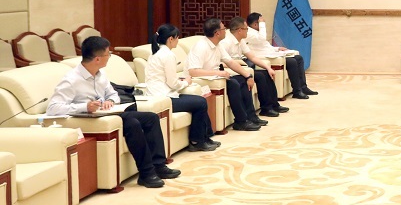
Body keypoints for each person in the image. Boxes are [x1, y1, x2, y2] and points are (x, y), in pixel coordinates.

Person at [46, 36, 178, 189]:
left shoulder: (100, 74)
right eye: (108, 54)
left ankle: (159, 165)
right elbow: (53, 108)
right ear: (97, 59)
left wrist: (110, 101)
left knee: (151, 118)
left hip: (109, 114)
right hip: (90, 119)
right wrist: (84, 106)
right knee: (133, 123)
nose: (109, 57)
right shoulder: (71, 80)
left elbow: (113, 94)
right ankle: (146, 173)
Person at [146, 24, 219, 152]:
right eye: (177, 38)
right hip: (164, 99)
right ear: (170, 39)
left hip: (158, 95)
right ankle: (197, 141)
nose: (178, 41)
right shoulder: (168, 55)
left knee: (198, 101)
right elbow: (173, 84)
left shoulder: (155, 54)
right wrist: (186, 82)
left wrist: (181, 81)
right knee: (200, 102)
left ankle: (205, 138)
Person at [186, 18, 267, 131]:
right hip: (201, 80)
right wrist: (218, 73)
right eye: (224, 29)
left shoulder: (217, 45)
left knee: (242, 80)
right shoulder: (201, 46)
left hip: (215, 77)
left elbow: (230, 62)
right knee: (233, 84)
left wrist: (248, 76)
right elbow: (193, 71)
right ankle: (240, 121)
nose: (226, 31)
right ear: (217, 33)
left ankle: (251, 116)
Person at [223, 16, 287, 118]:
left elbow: (252, 57)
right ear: (239, 30)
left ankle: (274, 105)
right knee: (260, 76)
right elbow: (223, 62)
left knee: (266, 73)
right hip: (234, 69)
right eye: (246, 29)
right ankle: (266, 108)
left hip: (243, 67)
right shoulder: (226, 42)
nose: (248, 31)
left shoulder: (241, 40)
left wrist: (268, 68)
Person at [245, 12, 318, 99]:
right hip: (262, 57)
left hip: (270, 54)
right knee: (292, 61)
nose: (263, 24)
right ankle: (297, 91)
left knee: (298, 58)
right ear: (255, 24)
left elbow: (266, 46)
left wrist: (277, 49)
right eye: (261, 22)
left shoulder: (257, 33)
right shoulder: (249, 33)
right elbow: (262, 39)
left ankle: (303, 87)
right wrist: (262, 25)